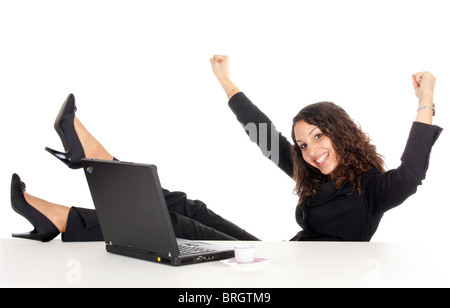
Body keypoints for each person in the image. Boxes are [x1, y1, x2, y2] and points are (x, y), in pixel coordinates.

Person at [10, 55, 442, 243]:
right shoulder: (313, 174)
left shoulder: (372, 191)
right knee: (186, 206)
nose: (311, 149)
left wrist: (425, 100)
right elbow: (266, 137)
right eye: (304, 141)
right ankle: (93, 155)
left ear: (340, 133)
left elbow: (412, 173)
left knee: (172, 224)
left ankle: (62, 218)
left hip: (286, 275)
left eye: (318, 136)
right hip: (280, 258)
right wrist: (227, 83)